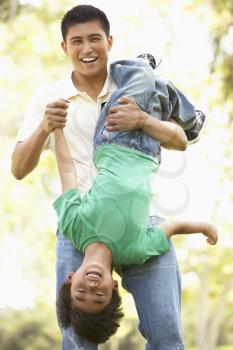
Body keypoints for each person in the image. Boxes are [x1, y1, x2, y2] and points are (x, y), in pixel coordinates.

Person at [11, 4, 207, 350]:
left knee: (166, 332)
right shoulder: (50, 97)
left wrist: (143, 121)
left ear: (109, 41)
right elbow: (19, 168)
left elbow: (180, 141)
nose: (86, 49)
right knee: (76, 336)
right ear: (65, 48)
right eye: (77, 41)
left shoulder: (132, 87)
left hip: (140, 225)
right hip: (79, 230)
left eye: (94, 39)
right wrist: (45, 127)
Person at [53, 92, 217, 342]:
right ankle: (185, 119)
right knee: (152, 94)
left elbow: (66, 169)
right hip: (147, 154)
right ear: (114, 288)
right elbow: (170, 228)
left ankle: (150, 80)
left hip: (109, 141)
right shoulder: (135, 250)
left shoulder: (74, 226)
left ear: (71, 278)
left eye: (81, 292)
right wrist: (202, 225)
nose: (92, 288)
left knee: (136, 84)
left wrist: (56, 130)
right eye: (99, 296)